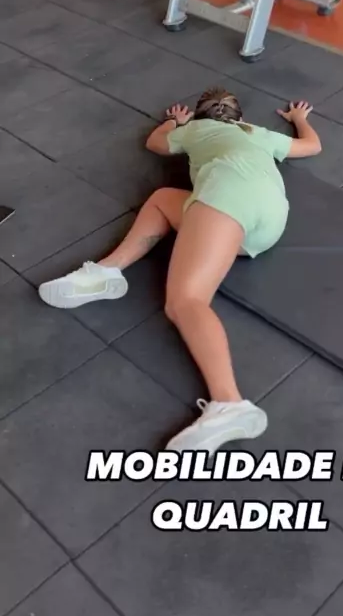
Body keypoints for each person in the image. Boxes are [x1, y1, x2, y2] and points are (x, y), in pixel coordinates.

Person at [38, 88, 321, 456]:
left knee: (185, 301)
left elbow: (155, 143)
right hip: (269, 224)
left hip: (228, 198)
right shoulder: (258, 133)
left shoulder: (195, 130)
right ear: (239, 117)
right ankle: (108, 272)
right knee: (162, 200)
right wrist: (299, 120)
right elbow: (312, 146)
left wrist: (175, 122)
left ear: (202, 115)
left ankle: (230, 402)